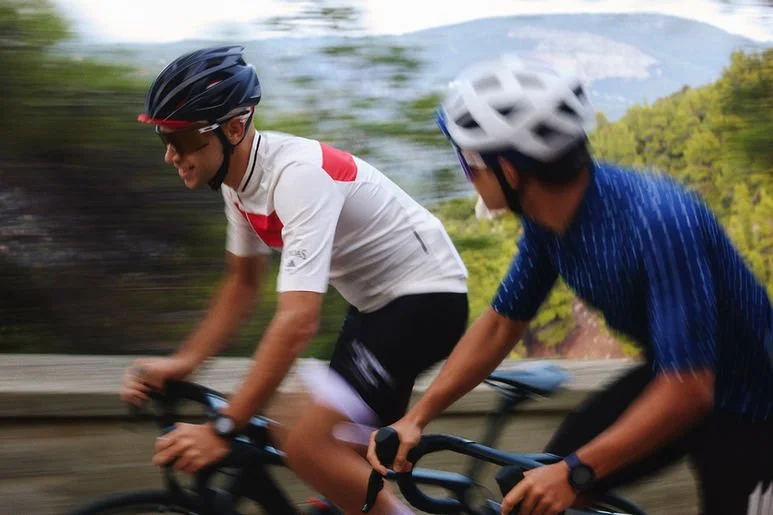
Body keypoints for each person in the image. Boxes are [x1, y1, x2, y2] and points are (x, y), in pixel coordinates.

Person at [366, 54, 773, 515]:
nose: (466, 175)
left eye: (469, 162)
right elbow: (501, 324)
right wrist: (417, 417)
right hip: (673, 377)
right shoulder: (548, 222)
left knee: (568, 476)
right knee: (531, 492)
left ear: (510, 170)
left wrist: (577, 471)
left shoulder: (658, 221)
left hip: (751, 408)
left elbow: (690, 389)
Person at [121, 45, 470, 515]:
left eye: (182, 140)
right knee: (319, 452)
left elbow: (299, 321)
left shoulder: (297, 177)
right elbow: (242, 285)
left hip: (426, 301)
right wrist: (183, 363)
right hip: (375, 308)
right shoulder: (239, 184)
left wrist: (223, 428)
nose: (170, 155)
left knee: (304, 441)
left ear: (234, 128)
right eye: (165, 138)